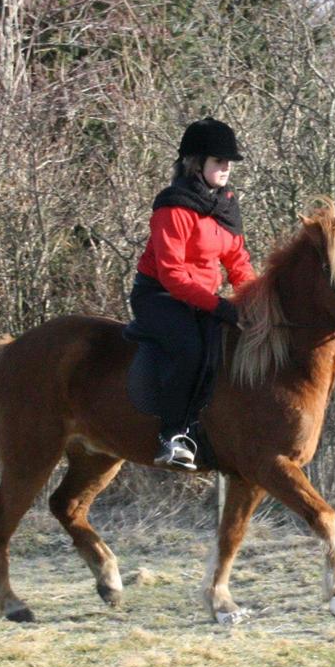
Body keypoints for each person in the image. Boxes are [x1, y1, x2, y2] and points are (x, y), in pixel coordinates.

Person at [128, 118, 255, 470]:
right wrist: (220, 307)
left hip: (202, 299)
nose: (226, 168)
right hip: (160, 298)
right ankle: (173, 436)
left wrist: (251, 300)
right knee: (191, 347)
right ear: (195, 163)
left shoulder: (225, 205)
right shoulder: (173, 207)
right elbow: (172, 275)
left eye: (228, 162)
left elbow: (237, 260)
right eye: (218, 161)